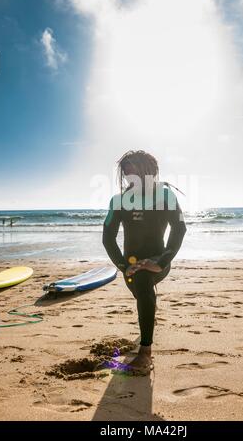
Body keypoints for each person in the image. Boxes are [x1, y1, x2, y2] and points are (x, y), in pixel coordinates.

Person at [103, 150, 187, 375]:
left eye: (136, 172)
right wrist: (123, 266)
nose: (131, 177)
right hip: (129, 264)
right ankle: (149, 310)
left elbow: (180, 229)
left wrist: (161, 262)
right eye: (127, 173)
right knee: (141, 290)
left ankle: (145, 354)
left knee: (143, 281)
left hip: (159, 261)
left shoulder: (165, 196)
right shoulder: (119, 201)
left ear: (150, 172)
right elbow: (107, 237)